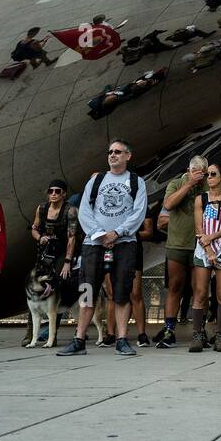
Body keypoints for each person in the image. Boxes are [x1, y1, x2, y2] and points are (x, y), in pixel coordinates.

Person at [59, 140, 148, 357]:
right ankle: (79, 339)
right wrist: (100, 234)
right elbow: (84, 211)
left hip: (124, 244)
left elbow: (139, 212)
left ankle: (122, 339)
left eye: (118, 152)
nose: (113, 155)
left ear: (128, 156)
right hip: (93, 245)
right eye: (110, 152)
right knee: (87, 291)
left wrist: (117, 233)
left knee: (121, 293)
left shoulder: (137, 182)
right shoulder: (96, 181)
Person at [154, 155, 207, 347]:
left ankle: (199, 330)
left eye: (203, 172)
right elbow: (168, 204)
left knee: (199, 289)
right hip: (177, 244)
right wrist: (189, 185)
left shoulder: (207, 186)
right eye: (196, 172)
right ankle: (169, 329)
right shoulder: (176, 184)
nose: (200, 176)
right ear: (189, 171)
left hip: (200, 245)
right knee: (175, 286)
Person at [189, 163, 221, 352]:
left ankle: (220, 333)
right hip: (204, 248)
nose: (209, 177)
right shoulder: (200, 199)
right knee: (200, 292)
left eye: (213, 174)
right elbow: (199, 228)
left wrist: (213, 238)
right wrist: (208, 248)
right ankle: (197, 333)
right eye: (207, 174)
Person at [26, 179, 77, 347]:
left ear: (63, 194)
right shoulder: (42, 208)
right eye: (51, 191)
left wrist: (68, 261)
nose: (53, 194)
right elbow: (33, 228)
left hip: (61, 254)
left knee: (57, 289)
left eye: (57, 191)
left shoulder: (70, 211)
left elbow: (72, 237)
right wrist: (40, 238)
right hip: (44, 255)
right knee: (35, 290)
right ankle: (30, 334)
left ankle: (51, 335)